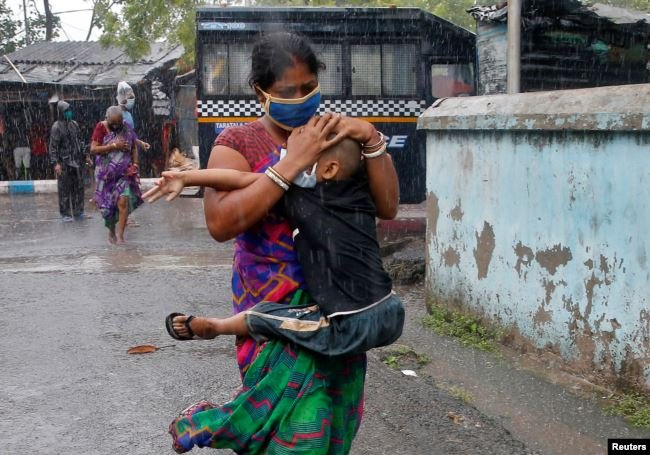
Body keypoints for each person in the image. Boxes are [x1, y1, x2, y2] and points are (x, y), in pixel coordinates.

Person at [151, 32, 399, 454]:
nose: (301, 99)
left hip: (338, 306)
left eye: (308, 88)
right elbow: (221, 223)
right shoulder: (237, 143)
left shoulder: (335, 137)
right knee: (292, 432)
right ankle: (212, 422)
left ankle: (216, 422)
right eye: (288, 91)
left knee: (331, 428)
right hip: (272, 309)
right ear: (260, 93)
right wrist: (294, 162)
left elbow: (387, 205)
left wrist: (371, 138)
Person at [146, 135, 404, 357]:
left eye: (300, 159)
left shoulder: (300, 193)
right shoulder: (360, 191)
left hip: (352, 323)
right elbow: (384, 163)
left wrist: (188, 178)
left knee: (268, 316)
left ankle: (217, 326)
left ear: (329, 169)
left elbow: (240, 179)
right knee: (298, 315)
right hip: (390, 307)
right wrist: (369, 136)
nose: (289, 165)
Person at [90, 106, 142, 244]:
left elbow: (134, 146)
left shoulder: (126, 128)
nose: (115, 127)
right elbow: (93, 149)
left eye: (118, 123)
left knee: (123, 201)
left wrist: (135, 164)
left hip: (123, 173)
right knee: (109, 206)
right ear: (107, 118)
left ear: (122, 121)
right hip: (105, 175)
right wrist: (113, 146)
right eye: (112, 124)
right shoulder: (100, 127)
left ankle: (120, 235)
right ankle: (112, 231)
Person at [49, 100, 88, 222]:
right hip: (64, 162)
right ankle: (65, 213)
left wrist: (85, 155)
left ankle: (78, 211)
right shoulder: (56, 127)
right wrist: (56, 163)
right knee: (64, 189)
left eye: (69, 110)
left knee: (78, 188)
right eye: (66, 111)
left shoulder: (74, 124)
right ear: (61, 112)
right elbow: (53, 147)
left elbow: (80, 141)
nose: (69, 112)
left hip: (76, 161)